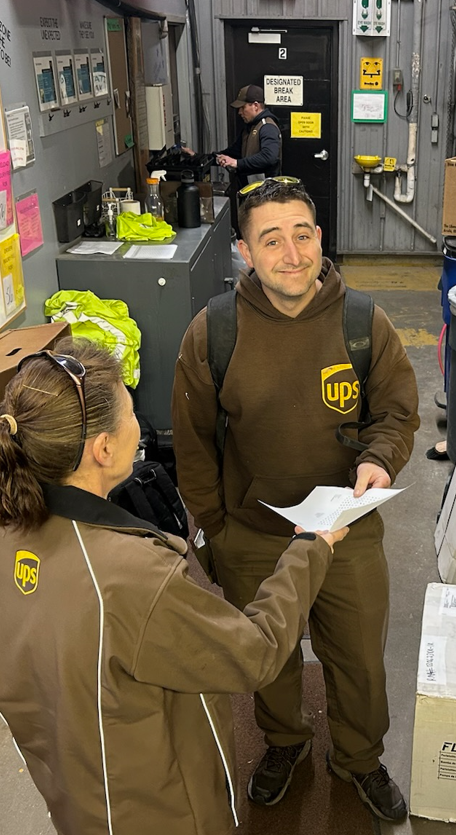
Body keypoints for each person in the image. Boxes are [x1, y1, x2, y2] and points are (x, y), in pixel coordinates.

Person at [0, 337, 348, 835]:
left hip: (69, 788)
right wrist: (312, 547)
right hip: (158, 810)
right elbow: (256, 652)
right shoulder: (130, 576)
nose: (137, 424)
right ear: (103, 448)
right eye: (130, 411)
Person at [171, 179, 419, 822]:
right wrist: (218, 535)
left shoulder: (364, 322)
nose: (291, 253)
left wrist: (376, 458)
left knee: (360, 656)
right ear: (244, 252)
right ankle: (285, 743)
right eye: (270, 239)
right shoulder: (213, 334)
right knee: (268, 658)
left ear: (319, 236)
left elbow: (396, 411)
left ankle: (360, 758)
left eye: (302, 234)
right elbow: (194, 449)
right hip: (253, 532)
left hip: (347, 529)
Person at [215, 84, 282, 186]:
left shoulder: (267, 126)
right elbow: (233, 153)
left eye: (242, 107)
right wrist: (201, 157)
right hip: (251, 190)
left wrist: (236, 163)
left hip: (266, 193)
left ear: (255, 106)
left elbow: (269, 157)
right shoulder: (249, 128)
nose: (239, 112)